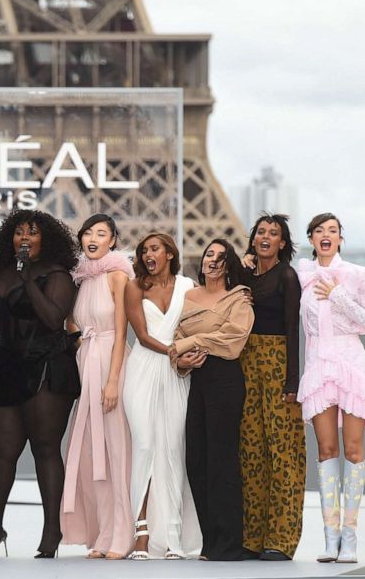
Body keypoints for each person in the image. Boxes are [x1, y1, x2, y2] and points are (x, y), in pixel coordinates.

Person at [0, 209, 78, 558]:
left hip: (46, 366)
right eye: (19, 232)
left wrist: (24, 281)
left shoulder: (58, 275)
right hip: (6, 366)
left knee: (45, 449)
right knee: (2, 452)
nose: (25, 237)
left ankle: (52, 529)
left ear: (45, 239)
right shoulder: (0, 274)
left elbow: (54, 318)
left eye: (32, 232)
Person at [296, 213, 365, 564]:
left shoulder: (358, 275)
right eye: (319, 231)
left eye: (332, 230)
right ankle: (330, 538)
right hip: (319, 369)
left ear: (341, 239)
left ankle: (350, 537)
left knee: (352, 448)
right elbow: (305, 331)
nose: (326, 235)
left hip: (351, 368)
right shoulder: (302, 276)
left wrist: (337, 296)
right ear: (312, 239)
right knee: (326, 450)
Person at [169, 239, 253, 561]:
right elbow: (177, 343)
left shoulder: (239, 297)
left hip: (226, 382)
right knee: (197, 461)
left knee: (222, 461)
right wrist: (182, 361)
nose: (212, 260)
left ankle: (229, 544)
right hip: (199, 382)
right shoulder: (190, 296)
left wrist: (193, 339)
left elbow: (232, 342)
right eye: (208, 254)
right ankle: (211, 541)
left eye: (220, 256)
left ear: (229, 264)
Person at [121, 232, 200, 560]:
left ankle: (172, 534)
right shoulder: (134, 286)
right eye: (143, 251)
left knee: (172, 449)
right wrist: (175, 352)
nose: (147, 254)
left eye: (154, 248)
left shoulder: (188, 287)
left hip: (176, 374)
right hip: (143, 370)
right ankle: (141, 532)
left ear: (169, 252)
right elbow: (141, 335)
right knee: (144, 447)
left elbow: (200, 323)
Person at [61, 214, 133, 560]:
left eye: (101, 233)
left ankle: (124, 533)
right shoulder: (81, 278)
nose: (93, 238)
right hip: (86, 361)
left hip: (110, 363)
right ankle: (103, 532)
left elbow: (122, 332)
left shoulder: (118, 276)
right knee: (93, 453)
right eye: (88, 232)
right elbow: (71, 320)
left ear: (113, 241)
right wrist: (78, 342)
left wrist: (113, 380)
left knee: (117, 451)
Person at [237, 214, 306, 561]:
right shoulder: (246, 275)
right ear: (253, 239)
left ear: (282, 242)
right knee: (251, 453)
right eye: (261, 232)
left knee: (283, 453)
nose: (266, 237)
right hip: (246, 364)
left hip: (278, 364)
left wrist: (293, 380)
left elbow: (293, 329)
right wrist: (240, 264)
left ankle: (281, 537)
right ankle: (252, 536)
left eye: (273, 233)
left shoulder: (288, 277)